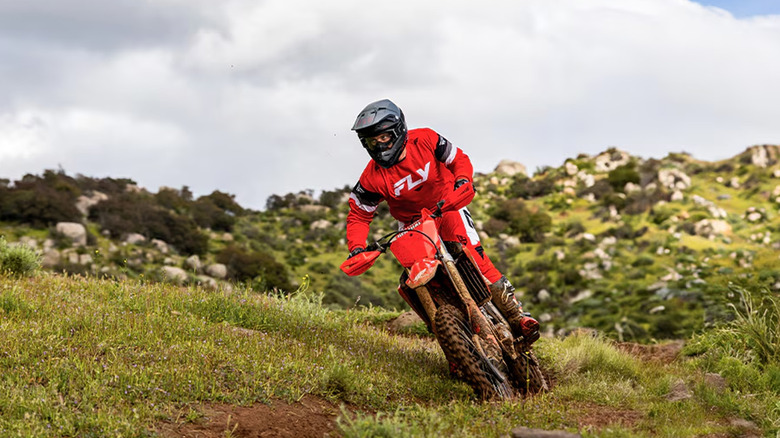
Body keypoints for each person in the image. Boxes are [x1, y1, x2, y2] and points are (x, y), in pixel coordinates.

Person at [345, 99, 540, 344]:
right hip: (411, 224)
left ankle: (517, 315)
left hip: (447, 207)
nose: (378, 145)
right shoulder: (371, 177)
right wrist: (357, 248)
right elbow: (359, 214)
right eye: (371, 141)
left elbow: (458, 159)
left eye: (383, 138)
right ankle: (448, 337)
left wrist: (462, 180)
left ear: (397, 130)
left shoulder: (426, 139)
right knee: (412, 281)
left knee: (474, 256)